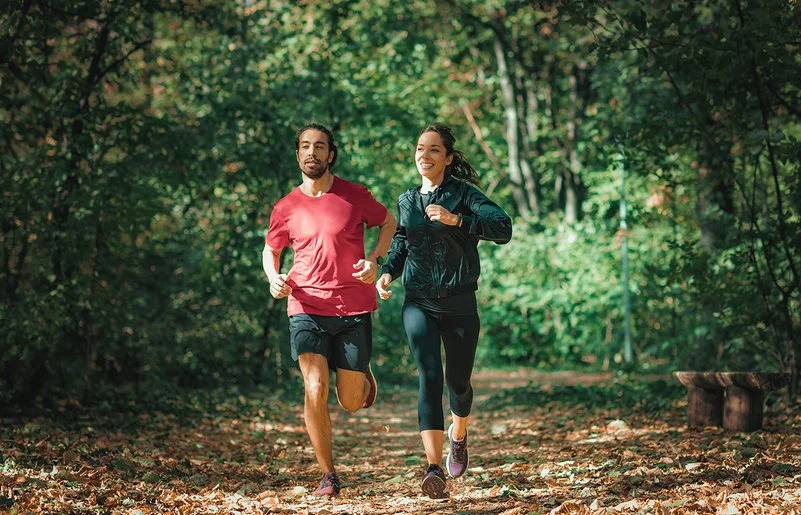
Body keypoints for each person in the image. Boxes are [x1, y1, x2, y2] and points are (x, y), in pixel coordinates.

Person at [376, 123, 512, 499]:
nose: (425, 155)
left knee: (459, 384)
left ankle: (460, 433)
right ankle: (433, 467)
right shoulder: (407, 201)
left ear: (448, 158)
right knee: (429, 376)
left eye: (434, 150)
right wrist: (387, 272)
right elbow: (402, 241)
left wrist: (459, 220)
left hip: (459, 302)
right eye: (421, 148)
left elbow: (503, 227)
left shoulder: (465, 195)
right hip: (417, 300)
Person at [263, 123, 396, 496]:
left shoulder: (354, 196)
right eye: (305, 146)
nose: (312, 152)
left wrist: (376, 260)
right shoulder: (286, 206)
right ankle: (328, 475)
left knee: (351, 402)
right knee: (314, 385)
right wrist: (273, 277)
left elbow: (388, 222)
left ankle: (362, 375)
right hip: (305, 305)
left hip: (353, 308)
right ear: (297, 154)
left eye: (319, 146)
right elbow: (271, 250)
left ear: (330, 155)